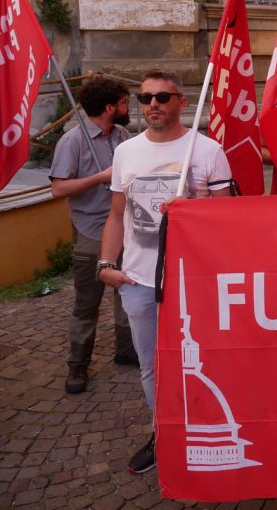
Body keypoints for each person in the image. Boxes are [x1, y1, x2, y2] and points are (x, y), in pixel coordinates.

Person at [98, 71, 232, 475]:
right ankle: (165, 434)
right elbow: (116, 215)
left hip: (194, 282)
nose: (152, 104)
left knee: (205, 361)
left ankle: (206, 430)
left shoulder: (207, 151)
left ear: (182, 102)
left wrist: (191, 212)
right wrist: (106, 265)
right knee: (152, 367)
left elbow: (229, 219)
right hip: (139, 281)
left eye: (161, 97)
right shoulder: (126, 152)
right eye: (145, 98)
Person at [49, 76, 137, 395]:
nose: (129, 108)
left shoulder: (123, 135)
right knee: (87, 302)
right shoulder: (73, 141)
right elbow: (59, 188)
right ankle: (78, 365)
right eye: (124, 102)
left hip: (125, 227)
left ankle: (127, 350)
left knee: (127, 293)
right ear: (110, 107)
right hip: (91, 231)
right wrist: (100, 177)